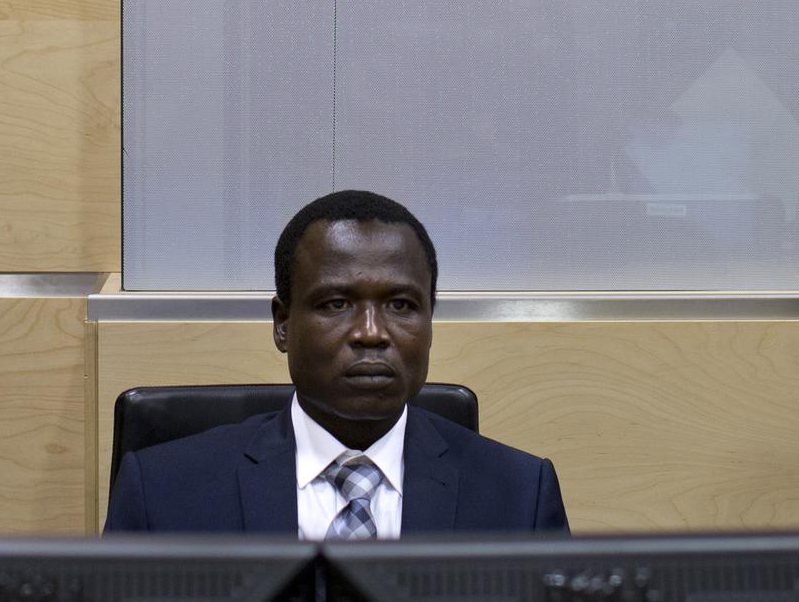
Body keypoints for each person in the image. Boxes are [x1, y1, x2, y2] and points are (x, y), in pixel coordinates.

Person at [105, 189, 568, 537]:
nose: (371, 331)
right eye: (335, 304)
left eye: (402, 305)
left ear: (431, 320)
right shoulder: (163, 494)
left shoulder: (520, 498)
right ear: (283, 323)